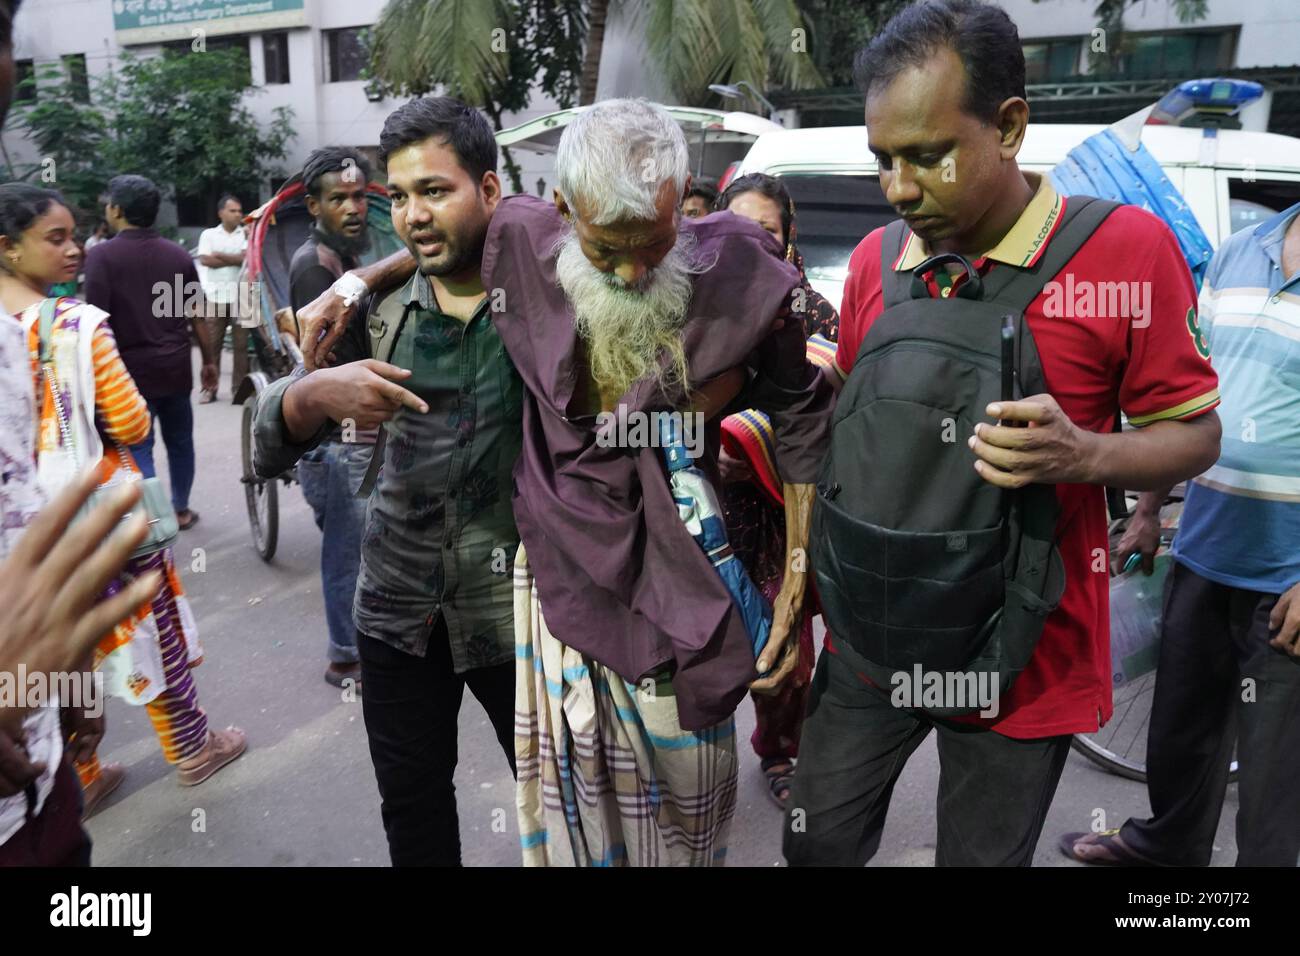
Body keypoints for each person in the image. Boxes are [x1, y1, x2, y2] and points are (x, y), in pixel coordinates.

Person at [785, 0, 1222, 867]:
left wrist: (1087, 455)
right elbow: (860, 419)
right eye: (884, 162)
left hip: (1024, 659)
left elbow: (1195, 433)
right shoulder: (878, 259)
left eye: (927, 156)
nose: (901, 188)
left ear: (1011, 125)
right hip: (877, 637)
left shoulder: (1124, 253)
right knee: (817, 842)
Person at [253, 99, 518, 866]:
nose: (412, 216)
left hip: (516, 614)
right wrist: (312, 396)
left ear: (491, 192)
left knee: (554, 796)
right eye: (398, 198)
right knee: (413, 807)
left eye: (435, 191)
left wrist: (374, 265)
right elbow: (271, 437)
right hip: (396, 611)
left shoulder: (545, 295)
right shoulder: (375, 311)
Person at [1061, 201, 1300, 868]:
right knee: (1182, 734)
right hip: (1203, 547)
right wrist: (1147, 510)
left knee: (1274, 778)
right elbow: (1187, 401)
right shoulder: (1240, 251)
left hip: (1288, 579)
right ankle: (1165, 849)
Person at [3, 184, 247, 808]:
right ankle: (193, 749)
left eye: (74, 234)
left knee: (61, 652)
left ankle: (79, 773)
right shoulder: (75, 327)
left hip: (24, 537)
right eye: (55, 238)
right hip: (97, 509)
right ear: (8, 248)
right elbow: (132, 422)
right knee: (151, 622)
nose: (74, 248)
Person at [713, 172, 839, 809]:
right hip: (712, 512)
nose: (752, 241)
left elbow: (824, 411)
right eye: (737, 228)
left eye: (765, 229)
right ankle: (698, 761)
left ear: (788, 237)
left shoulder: (812, 312)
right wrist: (717, 449)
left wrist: (755, 446)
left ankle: (781, 750)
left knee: (786, 650)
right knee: (706, 641)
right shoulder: (696, 312)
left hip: (788, 509)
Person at [284, 147, 376, 688]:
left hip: (348, 431)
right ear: (314, 207)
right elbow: (324, 365)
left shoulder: (345, 259)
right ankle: (344, 654)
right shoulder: (314, 266)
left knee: (355, 542)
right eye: (338, 199)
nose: (352, 207)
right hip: (337, 437)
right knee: (346, 546)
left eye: (359, 196)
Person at [84, 174, 217, 531]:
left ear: (117, 209)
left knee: (138, 448)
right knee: (180, 442)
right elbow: (196, 314)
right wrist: (209, 361)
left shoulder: (100, 257)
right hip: (175, 369)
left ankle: (152, 517)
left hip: (126, 375)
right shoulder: (177, 256)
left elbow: (96, 323)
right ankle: (181, 509)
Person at [197, 193, 248, 403]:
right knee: (211, 346)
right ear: (221, 213)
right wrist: (234, 259)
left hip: (245, 295)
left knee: (242, 347)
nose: (238, 214)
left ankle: (239, 390)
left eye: (239, 211)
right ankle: (209, 389)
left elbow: (247, 259)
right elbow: (205, 260)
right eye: (232, 210)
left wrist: (220, 255)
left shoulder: (247, 233)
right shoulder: (208, 234)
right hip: (215, 295)